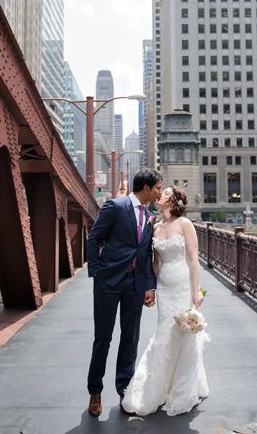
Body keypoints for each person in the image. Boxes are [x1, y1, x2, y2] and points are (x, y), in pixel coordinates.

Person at [122, 185, 209, 416]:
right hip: (165, 288)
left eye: (166, 193)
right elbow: (156, 263)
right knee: (164, 333)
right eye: (161, 192)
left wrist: (196, 291)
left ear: (173, 201)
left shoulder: (185, 224)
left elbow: (193, 259)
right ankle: (156, 388)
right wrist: (149, 287)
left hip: (182, 285)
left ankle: (181, 389)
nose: (160, 194)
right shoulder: (155, 227)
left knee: (183, 334)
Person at [86, 168, 163, 417]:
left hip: (135, 284)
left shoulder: (150, 215)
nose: (160, 192)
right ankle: (95, 391)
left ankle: (124, 391)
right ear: (146, 188)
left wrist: (149, 285)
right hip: (108, 283)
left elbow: (146, 254)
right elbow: (94, 238)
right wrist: (97, 271)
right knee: (103, 339)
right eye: (158, 188)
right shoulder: (116, 207)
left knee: (130, 339)